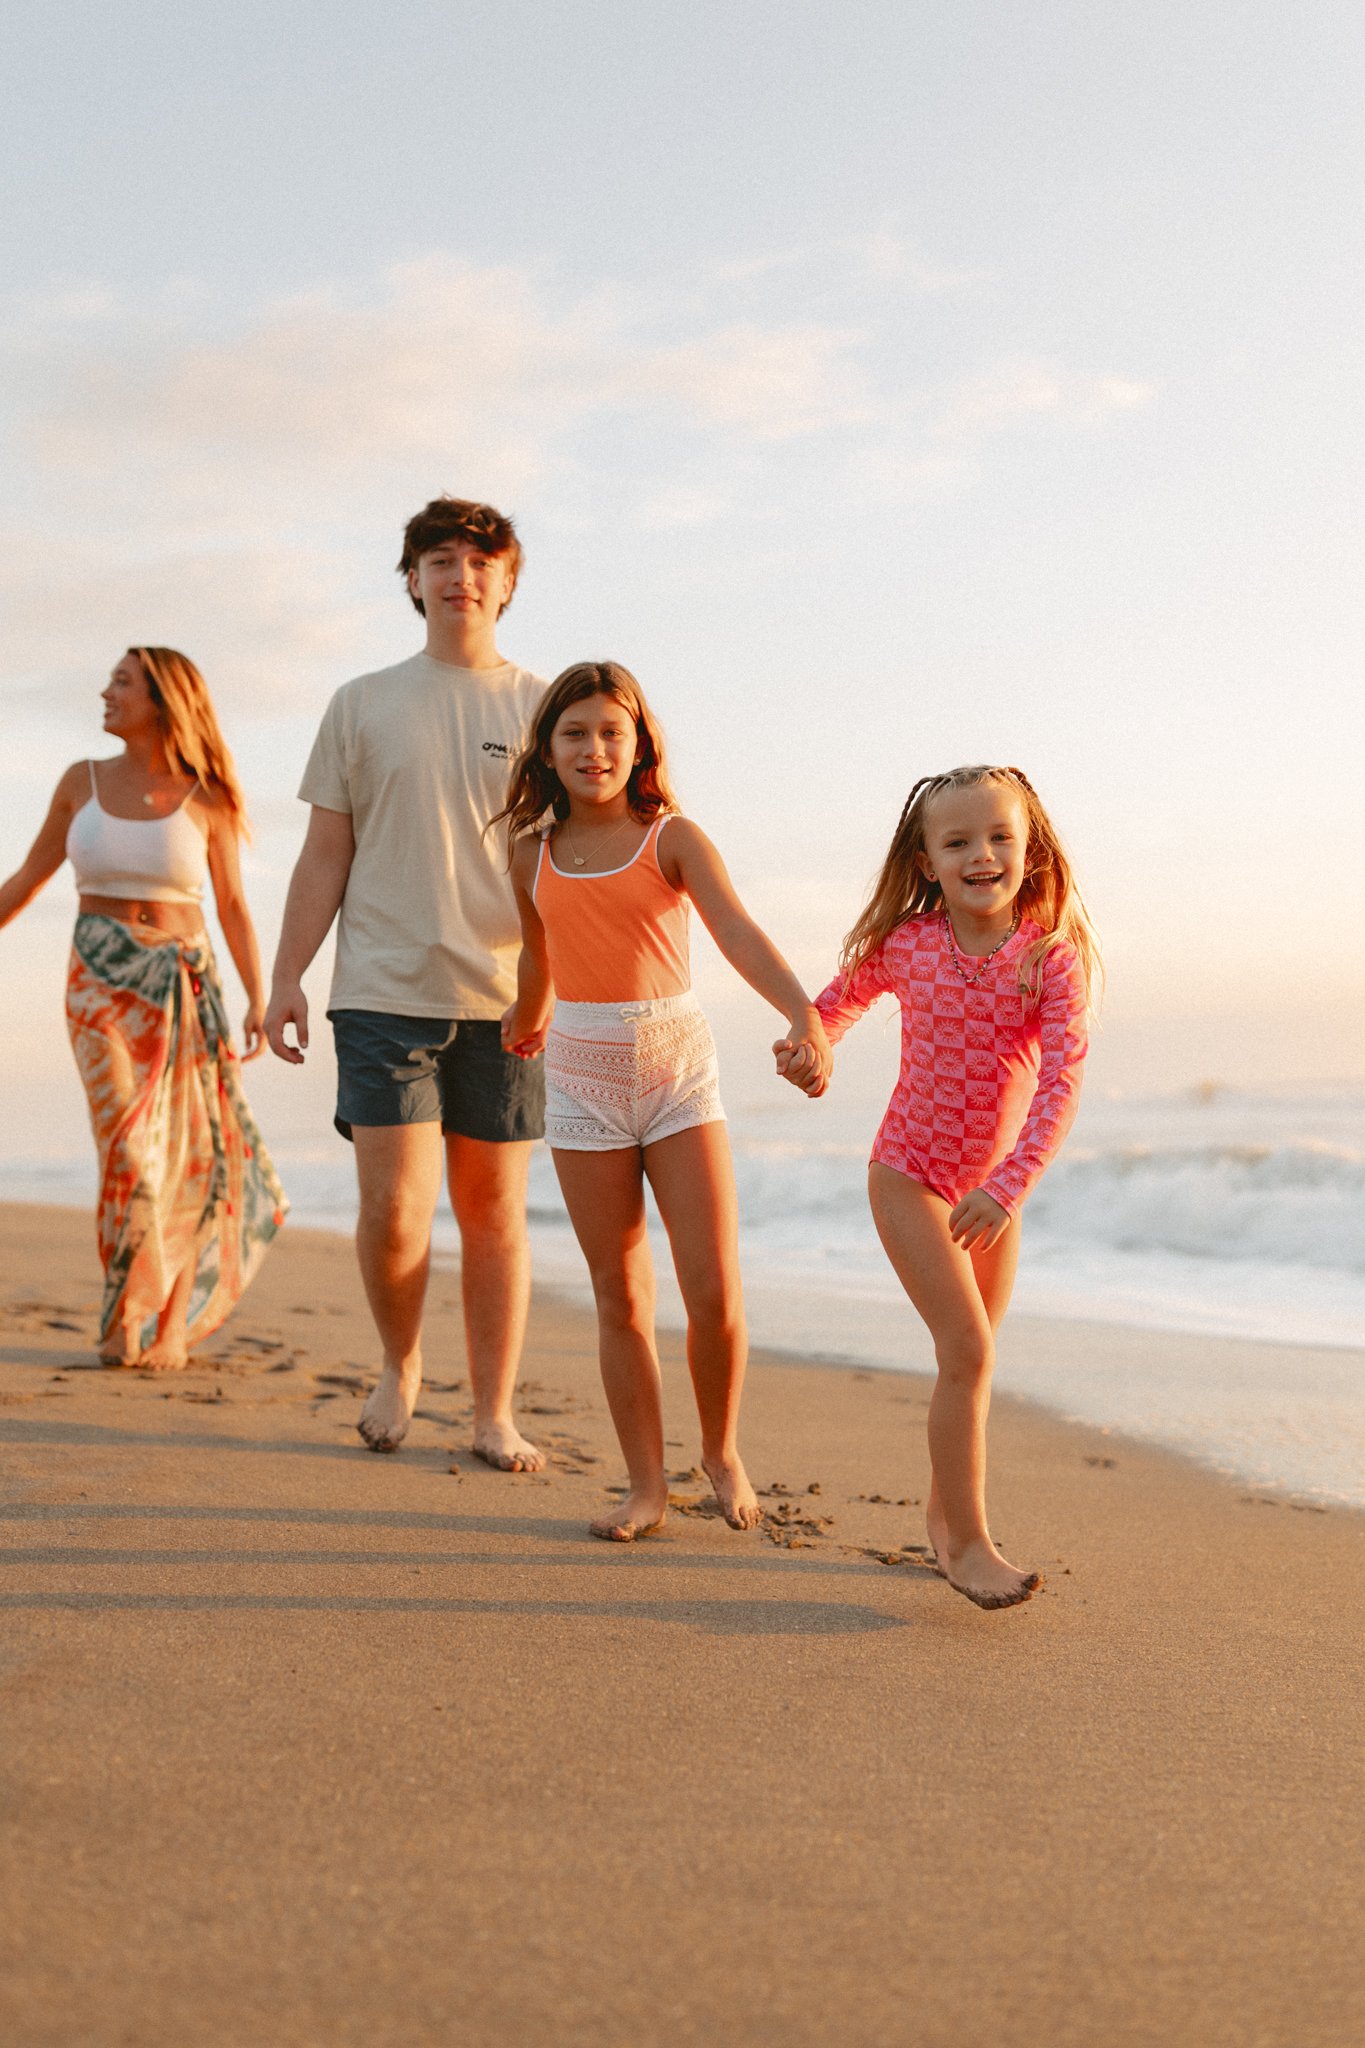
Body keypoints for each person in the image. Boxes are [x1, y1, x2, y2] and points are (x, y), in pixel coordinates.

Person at [495, 661, 832, 1541]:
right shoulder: (527, 850)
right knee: (619, 1295)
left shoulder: (671, 836)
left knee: (712, 1288)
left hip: (677, 1069)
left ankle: (719, 1450)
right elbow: (539, 951)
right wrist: (525, 1016)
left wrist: (803, 1013)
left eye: (612, 731)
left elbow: (734, 930)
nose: (594, 748)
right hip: (580, 1071)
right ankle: (645, 1486)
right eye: (575, 733)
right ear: (548, 748)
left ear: (639, 741)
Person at [264, 497, 548, 1465]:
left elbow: (581, 860)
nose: (461, 573)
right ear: (413, 580)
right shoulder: (362, 700)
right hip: (381, 984)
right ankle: (399, 1363)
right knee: (393, 1211)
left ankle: (493, 1410)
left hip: (507, 997)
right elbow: (322, 853)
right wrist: (287, 974)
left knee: (494, 1215)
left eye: (481, 559)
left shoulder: (547, 706)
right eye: (440, 558)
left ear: (507, 581)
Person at [776, 764, 1099, 1609]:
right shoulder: (910, 945)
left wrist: (1010, 1187)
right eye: (957, 841)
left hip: (992, 1195)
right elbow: (832, 1008)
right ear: (926, 862)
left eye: (998, 837)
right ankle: (966, 1545)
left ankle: (942, 1518)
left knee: (969, 1364)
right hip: (908, 1175)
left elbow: (1061, 1085)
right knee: (968, 1351)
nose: (980, 854)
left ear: (1027, 853)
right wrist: (810, 1051)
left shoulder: (1046, 961)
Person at [0, 647, 286, 1369]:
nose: (106, 691)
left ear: (163, 699)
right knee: (129, 1151)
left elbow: (231, 908)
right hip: (97, 982)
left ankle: (167, 1327)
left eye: (122, 682)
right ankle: (127, 1308)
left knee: (192, 1157)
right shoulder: (79, 782)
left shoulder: (208, 797)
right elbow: (30, 876)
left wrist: (258, 995)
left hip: (182, 988)